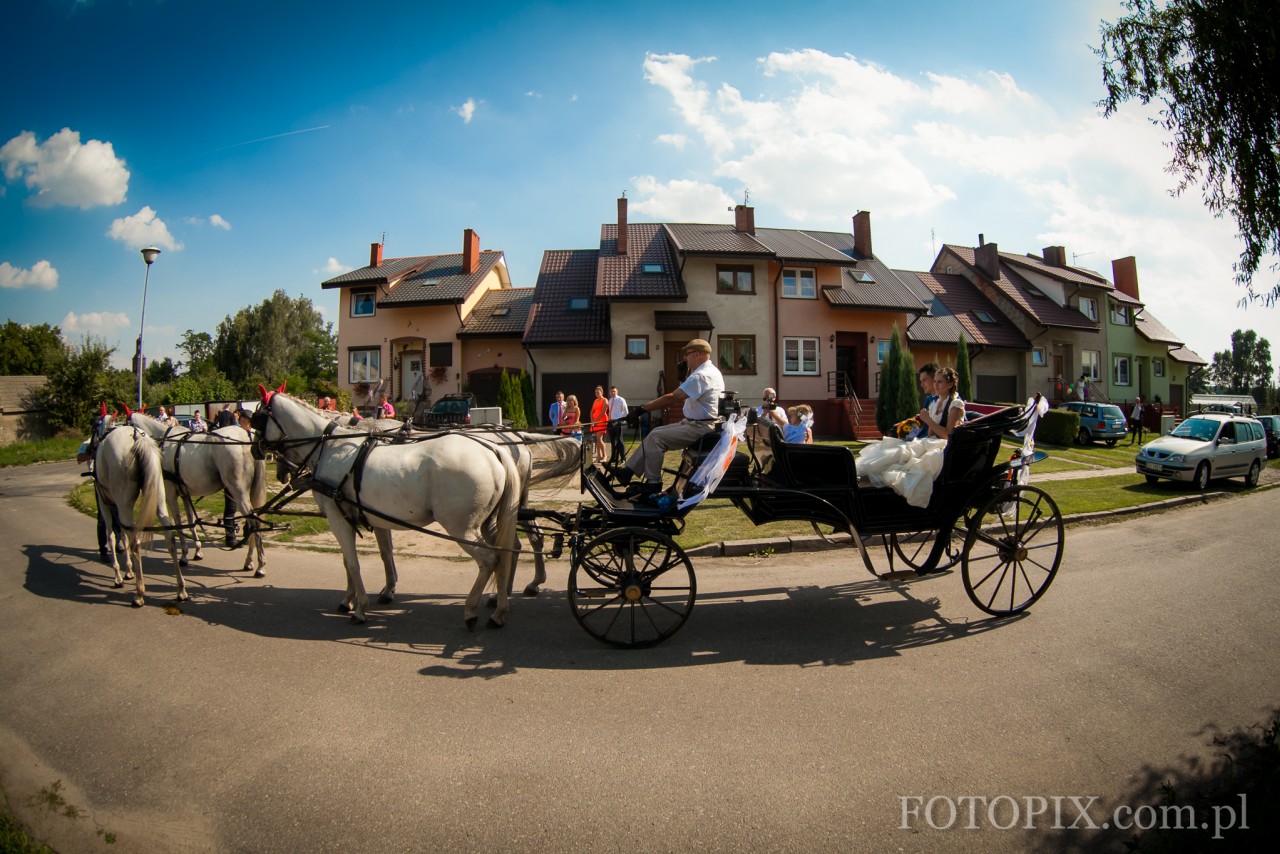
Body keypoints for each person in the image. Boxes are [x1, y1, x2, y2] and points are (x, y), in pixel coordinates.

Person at [614, 338, 725, 497]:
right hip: (697, 423)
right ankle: (627, 472)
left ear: (698, 354)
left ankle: (653, 484)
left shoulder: (702, 375)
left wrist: (641, 409)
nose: (685, 358)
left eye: (688, 354)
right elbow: (690, 393)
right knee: (655, 433)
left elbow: (674, 397)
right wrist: (683, 377)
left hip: (700, 427)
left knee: (657, 437)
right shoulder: (711, 371)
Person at [857, 367, 966, 508]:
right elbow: (930, 434)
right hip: (931, 442)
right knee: (899, 450)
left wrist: (928, 421)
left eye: (940, 382)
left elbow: (948, 436)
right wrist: (928, 423)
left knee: (918, 465)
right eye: (935, 382)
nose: (936, 386)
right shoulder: (936, 403)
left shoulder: (956, 405)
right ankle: (869, 484)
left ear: (950, 385)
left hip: (945, 447)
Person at [606, 386, 629, 464]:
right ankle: (614, 458)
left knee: (620, 440)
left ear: (617, 391)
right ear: (609, 392)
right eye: (611, 391)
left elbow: (625, 412)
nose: (613, 393)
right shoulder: (610, 400)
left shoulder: (621, 400)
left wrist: (621, 421)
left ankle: (623, 458)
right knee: (612, 441)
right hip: (610, 422)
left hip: (618, 422)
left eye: (614, 391)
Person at [589, 386, 609, 464]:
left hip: (602, 421)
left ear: (602, 392)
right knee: (597, 439)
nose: (596, 393)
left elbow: (603, 412)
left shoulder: (605, 400)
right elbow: (592, 411)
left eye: (598, 392)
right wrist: (591, 420)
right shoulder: (595, 400)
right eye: (595, 392)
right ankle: (599, 456)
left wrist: (595, 421)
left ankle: (604, 455)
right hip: (594, 422)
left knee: (599, 439)